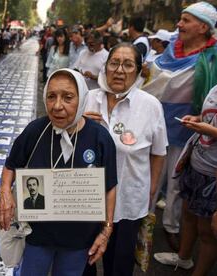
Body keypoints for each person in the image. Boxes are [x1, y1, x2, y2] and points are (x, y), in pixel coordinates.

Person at [0, 68, 117, 275]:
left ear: (82, 99)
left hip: (79, 238)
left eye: (68, 97)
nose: (57, 106)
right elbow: (11, 165)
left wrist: (106, 230)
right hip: (37, 234)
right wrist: (5, 193)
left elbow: (110, 187)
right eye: (51, 97)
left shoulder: (100, 138)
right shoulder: (35, 131)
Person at [83, 43, 168, 276]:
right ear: (106, 67)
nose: (120, 70)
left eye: (128, 64)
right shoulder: (87, 99)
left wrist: (151, 190)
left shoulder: (150, 106)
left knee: (119, 266)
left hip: (128, 200)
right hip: (85, 200)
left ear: (139, 71)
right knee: (83, 262)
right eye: (114, 63)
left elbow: (159, 152)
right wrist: (79, 126)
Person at [142, 1, 217, 252]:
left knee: (175, 185)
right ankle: (143, 227)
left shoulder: (212, 57)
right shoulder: (171, 50)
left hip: (189, 129)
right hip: (156, 122)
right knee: (150, 178)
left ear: (203, 27)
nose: (178, 24)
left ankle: (171, 227)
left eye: (185, 20)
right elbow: (157, 82)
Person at [154, 84, 217, 274]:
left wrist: (209, 130)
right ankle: (184, 258)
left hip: (213, 174)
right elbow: (209, 116)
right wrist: (197, 120)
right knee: (188, 215)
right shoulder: (214, 87)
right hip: (197, 161)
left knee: (207, 233)